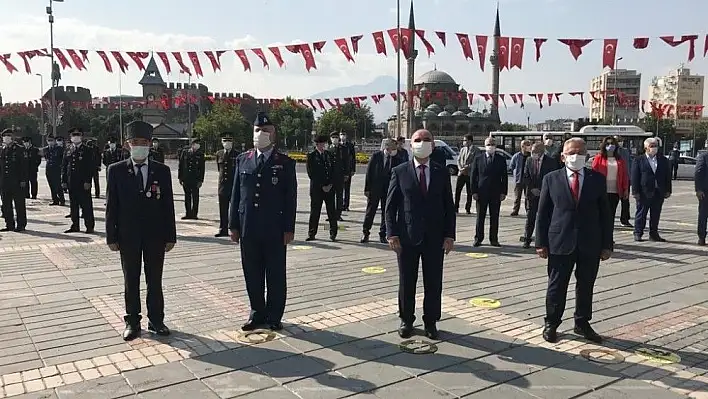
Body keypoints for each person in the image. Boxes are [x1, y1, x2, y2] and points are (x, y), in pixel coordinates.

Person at [535, 138, 612, 344]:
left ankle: (582, 323)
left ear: (587, 156)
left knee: (586, 285)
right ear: (563, 156)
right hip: (560, 241)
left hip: (590, 242)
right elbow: (542, 214)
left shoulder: (597, 179)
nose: (575, 156)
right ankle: (552, 322)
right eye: (571, 153)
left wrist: (607, 245)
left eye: (580, 152)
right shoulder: (551, 179)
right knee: (556, 285)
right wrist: (540, 243)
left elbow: (605, 214)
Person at [105, 120, 176, 341]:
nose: (140, 146)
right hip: (128, 236)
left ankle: (156, 320)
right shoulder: (116, 171)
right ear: (127, 144)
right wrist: (111, 235)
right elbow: (111, 205)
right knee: (131, 279)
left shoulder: (161, 171)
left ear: (150, 144)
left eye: (144, 142)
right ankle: (132, 322)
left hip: (155, 235)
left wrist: (170, 235)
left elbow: (168, 205)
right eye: (135, 142)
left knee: (154, 279)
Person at [229, 112, 296, 331]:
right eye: (258, 130)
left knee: (275, 273)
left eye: (266, 131)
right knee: (252, 272)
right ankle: (256, 312)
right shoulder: (243, 159)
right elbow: (236, 195)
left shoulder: (284, 163)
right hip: (248, 227)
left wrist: (289, 228)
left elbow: (290, 198)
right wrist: (233, 225)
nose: (261, 134)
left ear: (273, 134)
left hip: (275, 229)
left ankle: (274, 315)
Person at [386, 129, 455, 340]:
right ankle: (407, 319)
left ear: (433, 145)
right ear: (410, 145)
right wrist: (391, 234)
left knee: (433, 282)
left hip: (435, 237)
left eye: (426, 140)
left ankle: (431, 321)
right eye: (418, 140)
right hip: (406, 237)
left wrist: (449, 235)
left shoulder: (441, 172)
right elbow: (390, 207)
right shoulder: (400, 171)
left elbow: (448, 206)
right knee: (407, 281)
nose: (422, 143)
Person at [361, 138, 404, 243]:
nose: (394, 150)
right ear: (387, 147)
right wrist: (367, 188)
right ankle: (365, 233)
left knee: (386, 212)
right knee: (370, 212)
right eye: (393, 148)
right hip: (375, 189)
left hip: (389, 190)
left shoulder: (397, 159)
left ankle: (382, 233)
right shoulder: (376, 156)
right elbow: (369, 173)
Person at [631, 137, 672, 242]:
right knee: (641, 214)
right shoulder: (639, 160)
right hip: (644, 192)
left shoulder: (663, 160)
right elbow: (635, 177)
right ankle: (638, 233)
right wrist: (635, 192)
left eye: (655, 146)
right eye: (652, 146)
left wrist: (668, 190)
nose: (654, 148)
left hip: (658, 192)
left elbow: (667, 176)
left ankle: (654, 234)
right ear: (646, 148)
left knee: (656, 214)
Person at [470, 137, 508, 247]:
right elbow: (473, 176)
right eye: (488, 144)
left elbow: (504, 177)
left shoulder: (501, 159)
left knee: (494, 217)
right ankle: (478, 238)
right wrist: (474, 191)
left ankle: (494, 239)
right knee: (480, 217)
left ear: (495, 146)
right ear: (485, 145)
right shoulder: (478, 158)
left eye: (492, 144)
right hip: (481, 192)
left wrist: (503, 192)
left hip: (496, 192)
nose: (490, 146)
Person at [521, 142, 556, 248]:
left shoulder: (551, 162)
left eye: (535, 152)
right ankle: (527, 239)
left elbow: (553, 178)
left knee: (545, 218)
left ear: (541, 152)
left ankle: (544, 241)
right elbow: (526, 176)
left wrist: (542, 190)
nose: (533, 154)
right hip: (532, 194)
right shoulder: (529, 160)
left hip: (545, 194)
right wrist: (532, 189)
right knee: (530, 218)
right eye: (532, 151)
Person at [591, 136, 629, 232]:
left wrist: (625, 189)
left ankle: (609, 237)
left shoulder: (620, 160)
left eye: (612, 143)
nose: (610, 145)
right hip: (602, 191)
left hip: (615, 192)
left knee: (611, 216)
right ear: (604, 145)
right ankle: (599, 237)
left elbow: (624, 175)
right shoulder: (599, 158)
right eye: (607, 144)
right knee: (601, 215)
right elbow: (593, 174)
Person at [62, 128, 96, 234]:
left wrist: (88, 181)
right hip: (71, 182)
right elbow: (64, 166)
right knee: (73, 206)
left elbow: (90, 167)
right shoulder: (68, 149)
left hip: (83, 183)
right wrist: (63, 180)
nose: (75, 137)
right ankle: (75, 225)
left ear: (81, 137)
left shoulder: (87, 150)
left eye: (78, 135)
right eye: (73, 135)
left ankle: (89, 226)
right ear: (71, 137)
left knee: (86, 206)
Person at [306, 135, 338, 241]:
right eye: (321, 144)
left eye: (324, 143)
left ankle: (333, 233)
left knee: (331, 211)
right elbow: (311, 174)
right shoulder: (311, 156)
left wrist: (330, 184)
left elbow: (334, 171)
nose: (323, 145)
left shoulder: (329, 155)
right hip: (317, 189)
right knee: (315, 211)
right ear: (317, 144)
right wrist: (322, 186)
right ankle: (312, 233)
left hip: (329, 188)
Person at [0, 129, 28, 232]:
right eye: (4, 135)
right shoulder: (2, 149)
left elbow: (24, 167)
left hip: (17, 182)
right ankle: (9, 224)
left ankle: (21, 225)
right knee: (6, 205)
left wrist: (23, 180)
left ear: (13, 137)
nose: (6, 137)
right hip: (4, 182)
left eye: (8, 135)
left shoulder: (19, 149)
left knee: (19, 204)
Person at [215, 133, 239, 237]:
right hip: (222, 186)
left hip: (233, 186)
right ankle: (223, 229)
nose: (227, 143)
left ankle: (235, 229)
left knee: (235, 209)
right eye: (225, 141)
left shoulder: (237, 154)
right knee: (223, 209)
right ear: (222, 142)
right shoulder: (219, 154)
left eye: (229, 141)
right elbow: (219, 169)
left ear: (232, 143)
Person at [178, 138, 205, 220]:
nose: (197, 145)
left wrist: (201, 180)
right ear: (192, 144)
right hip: (186, 178)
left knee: (195, 197)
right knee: (187, 196)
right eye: (196, 143)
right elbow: (181, 165)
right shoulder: (185, 152)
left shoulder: (200, 154)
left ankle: (194, 214)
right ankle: (188, 213)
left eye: (198, 144)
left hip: (195, 179)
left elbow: (202, 168)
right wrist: (180, 177)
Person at [328, 132, 353, 221]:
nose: (335, 139)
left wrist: (347, 174)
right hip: (330, 177)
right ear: (330, 138)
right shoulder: (328, 149)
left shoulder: (343, 149)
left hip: (340, 176)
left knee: (339, 196)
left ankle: (338, 214)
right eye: (333, 137)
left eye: (336, 137)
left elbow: (347, 162)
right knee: (330, 197)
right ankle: (331, 215)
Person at [454, 134, 477, 214]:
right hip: (461, 173)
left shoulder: (476, 150)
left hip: (469, 174)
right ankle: (456, 207)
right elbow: (459, 160)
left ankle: (468, 208)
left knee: (469, 192)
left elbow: (475, 162)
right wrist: (460, 168)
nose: (464, 142)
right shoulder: (463, 149)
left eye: (465, 140)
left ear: (470, 141)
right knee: (458, 191)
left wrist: (467, 167)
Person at [614, 136, 634, 227]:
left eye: (621, 140)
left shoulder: (626, 151)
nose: (620, 142)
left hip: (625, 179)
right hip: (614, 179)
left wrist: (630, 178)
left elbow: (630, 164)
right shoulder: (611, 152)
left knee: (625, 201)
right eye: (618, 141)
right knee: (612, 202)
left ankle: (625, 219)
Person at [510, 140, 531, 216]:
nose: (529, 146)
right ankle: (515, 210)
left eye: (529, 145)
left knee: (528, 197)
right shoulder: (516, 156)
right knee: (517, 197)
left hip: (528, 180)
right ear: (522, 146)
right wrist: (516, 173)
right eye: (527, 145)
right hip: (519, 180)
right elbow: (512, 166)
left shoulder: (531, 156)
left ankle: (528, 210)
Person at [43, 134, 65, 206]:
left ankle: (62, 199)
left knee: (58, 185)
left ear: (54, 141)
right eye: (48, 140)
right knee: (51, 185)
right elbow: (47, 158)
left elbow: (62, 159)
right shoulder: (46, 149)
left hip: (56, 169)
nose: (50, 142)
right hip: (49, 169)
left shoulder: (59, 149)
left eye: (51, 140)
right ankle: (55, 199)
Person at [339, 132, 356, 211]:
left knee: (347, 188)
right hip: (339, 171)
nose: (343, 136)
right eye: (341, 134)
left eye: (344, 134)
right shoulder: (337, 145)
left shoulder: (350, 145)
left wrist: (353, 169)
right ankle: (340, 204)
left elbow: (353, 158)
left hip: (348, 170)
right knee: (339, 189)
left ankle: (346, 205)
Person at [695, 148, 708, 246]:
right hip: (705, 192)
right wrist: (698, 189)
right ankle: (701, 237)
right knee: (703, 215)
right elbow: (698, 173)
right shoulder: (703, 157)